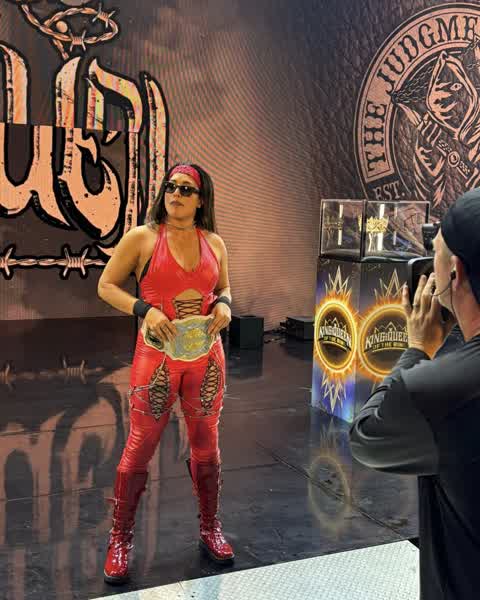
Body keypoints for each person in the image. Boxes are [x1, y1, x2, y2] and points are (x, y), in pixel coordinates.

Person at [98, 163, 235, 584]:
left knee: (206, 444)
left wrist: (225, 305)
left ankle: (210, 528)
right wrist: (145, 309)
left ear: (201, 199)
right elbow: (106, 285)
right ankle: (120, 539)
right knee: (140, 445)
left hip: (206, 357)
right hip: (156, 357)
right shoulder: (142, 238)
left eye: (186, 189)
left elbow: (224, 288)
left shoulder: (214, 242)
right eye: (171, 186)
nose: (175, 193)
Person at [350, 189, 480, 600]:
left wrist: (417, 349)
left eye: (435, 252)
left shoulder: (438, 391)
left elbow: (368, 437)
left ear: (455, 272)